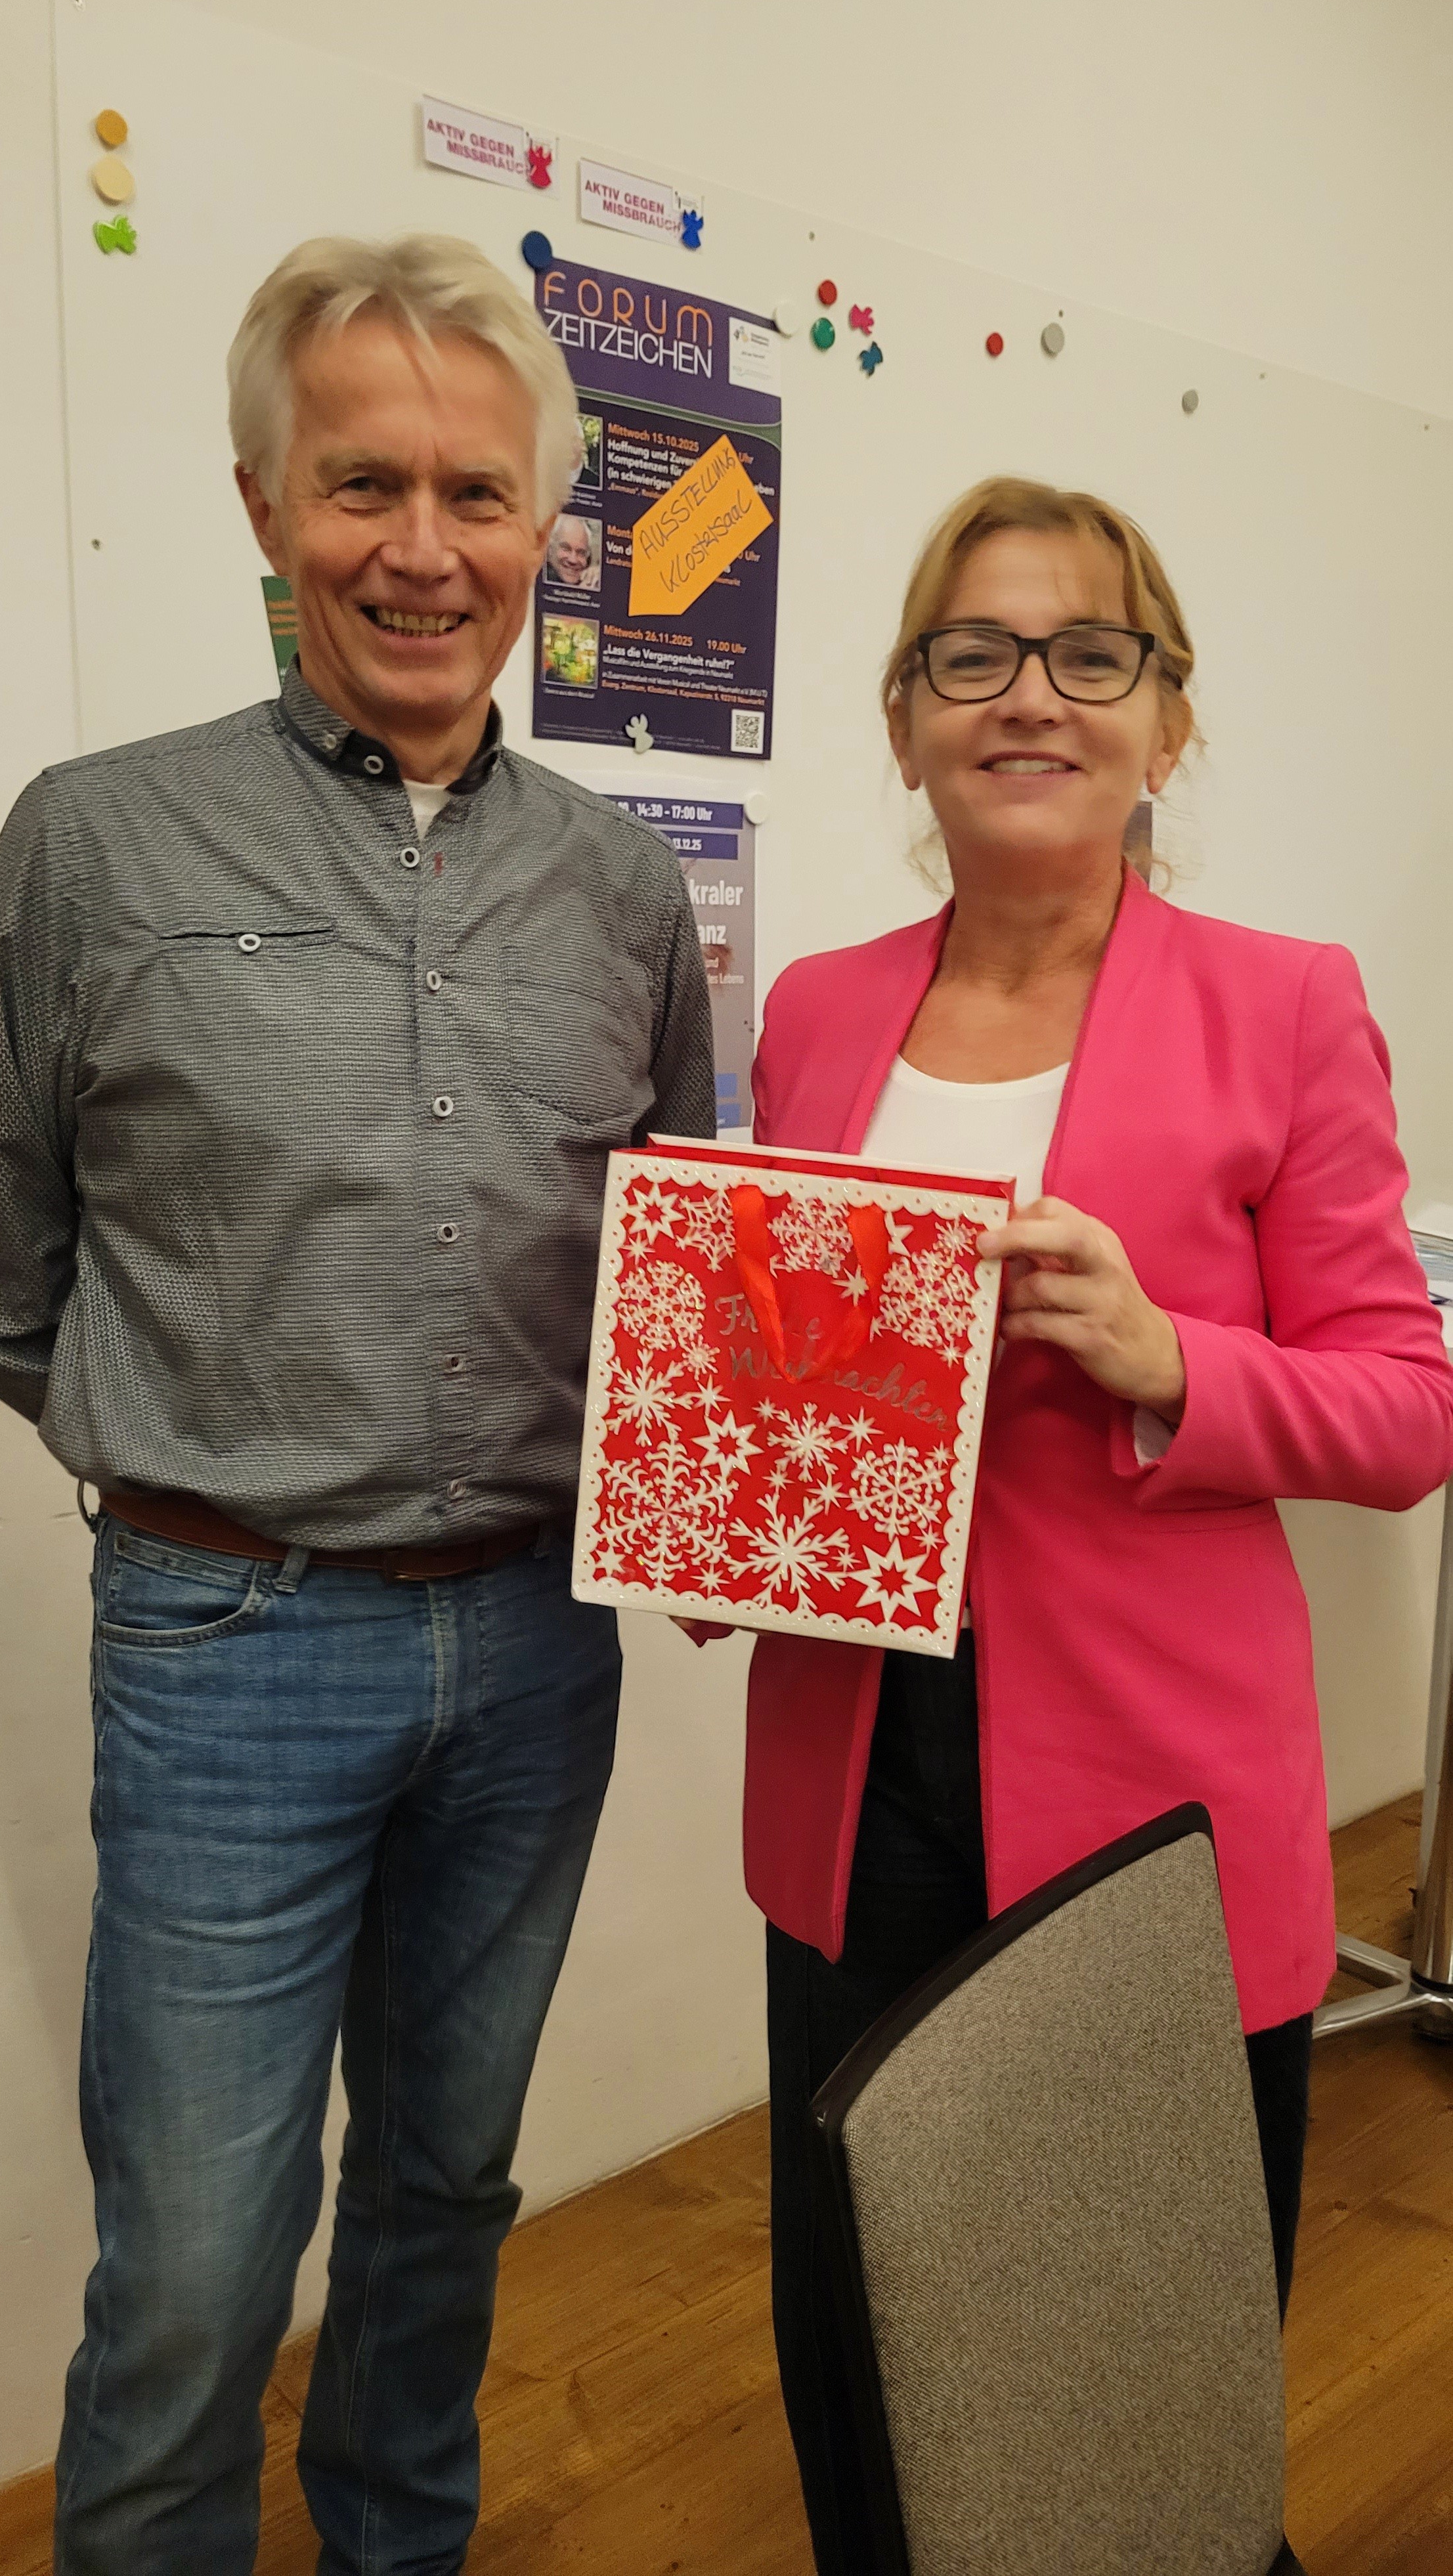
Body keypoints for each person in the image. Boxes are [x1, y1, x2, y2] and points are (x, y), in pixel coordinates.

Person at [0, 232, 714, 2575]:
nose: (422, 546)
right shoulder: (94, 841)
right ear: (263, 505)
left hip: (537, 1646)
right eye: (363, 482)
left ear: (544, 533)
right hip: (228, 1644)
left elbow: (675, 1262)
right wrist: (208, 1452)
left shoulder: (624, 890)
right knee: (197, 2260)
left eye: (476, 494)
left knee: (445, 2189)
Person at [741, 475, 1453, 2576]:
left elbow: (1407, 1408)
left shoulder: (1284, 1001)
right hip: (855, 1759)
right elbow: (787, 1370)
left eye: (1088, 653)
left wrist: (1167, 1361)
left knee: (1127, 2366)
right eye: (972, 654)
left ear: (1167, 719)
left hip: (1146, 1792)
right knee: (858, 2325)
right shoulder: (816, 1011)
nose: (1028, 696)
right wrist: (707, 1484)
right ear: (904, 723)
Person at [546, 510, 599, 589]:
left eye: (581, 553)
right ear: (550, 549)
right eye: (566, 549)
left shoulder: (592, 581)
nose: (573, 560)